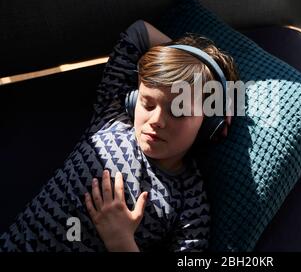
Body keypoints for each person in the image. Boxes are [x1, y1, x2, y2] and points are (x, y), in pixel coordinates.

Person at [0, 20, 239, 252]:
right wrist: (216, 85)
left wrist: (121, 242)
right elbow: (139, 32)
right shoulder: (113, 115)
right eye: (147, 103)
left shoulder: (190, 203)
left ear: (208, 123)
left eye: (178, 111)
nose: (156, 121)